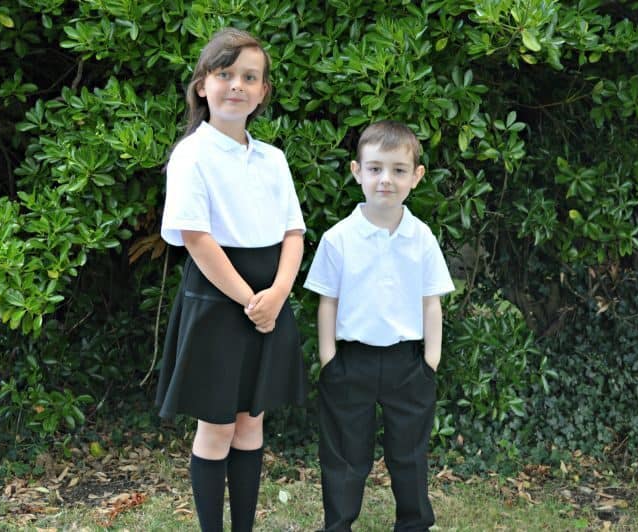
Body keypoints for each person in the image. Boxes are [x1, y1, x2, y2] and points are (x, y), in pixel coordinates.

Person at [155, 28, 306, 531]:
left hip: (268, 301)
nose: (236, 85)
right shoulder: (191, 156)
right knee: (217, 425)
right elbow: (197, 240)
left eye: (250, 76)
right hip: (220, 303)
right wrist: (250, 301)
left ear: (263, 92)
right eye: (225, 74)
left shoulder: (273, 159)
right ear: (203, 85)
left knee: (251, 423)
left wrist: (279, 293)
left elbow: (293, 232)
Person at [304, 120, 455, 531]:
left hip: (408, 362)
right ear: (357, 172)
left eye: (398, 170)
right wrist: (328, 358)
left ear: (416, 177)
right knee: (345, 455)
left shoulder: (421, 237)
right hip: (350, 362)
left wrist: (431, 361)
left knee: (408, 453)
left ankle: (414, 524)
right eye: (375, 169)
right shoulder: (339, 238)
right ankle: (338, 525)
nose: (385, 179)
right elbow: (327, 302)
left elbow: (431, 303)